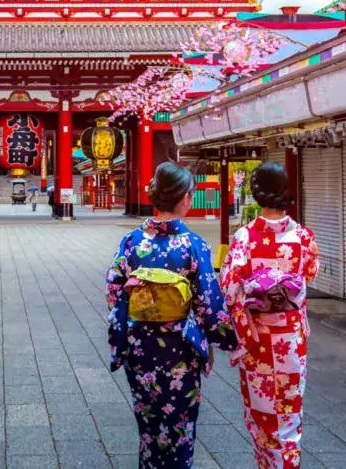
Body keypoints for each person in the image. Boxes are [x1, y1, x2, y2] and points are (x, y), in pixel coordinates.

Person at [106, 162, 238, 468]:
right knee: (179, 428)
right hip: (179, 348)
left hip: (140, 347)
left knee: (149, 425)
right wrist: (227, 341)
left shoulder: (132, 242)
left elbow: (114, 291)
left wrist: (133, 303)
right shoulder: (192, 245)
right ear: (185, 198)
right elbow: (208, 301)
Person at [220, 162, 319, 469]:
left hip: (258, 339)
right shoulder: (303, 237)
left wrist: (253, 297)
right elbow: (310, 274)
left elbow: (230, 287)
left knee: (262, 417)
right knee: (289, 416)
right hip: (290, 340)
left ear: (256, 192)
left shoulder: (244, 237)